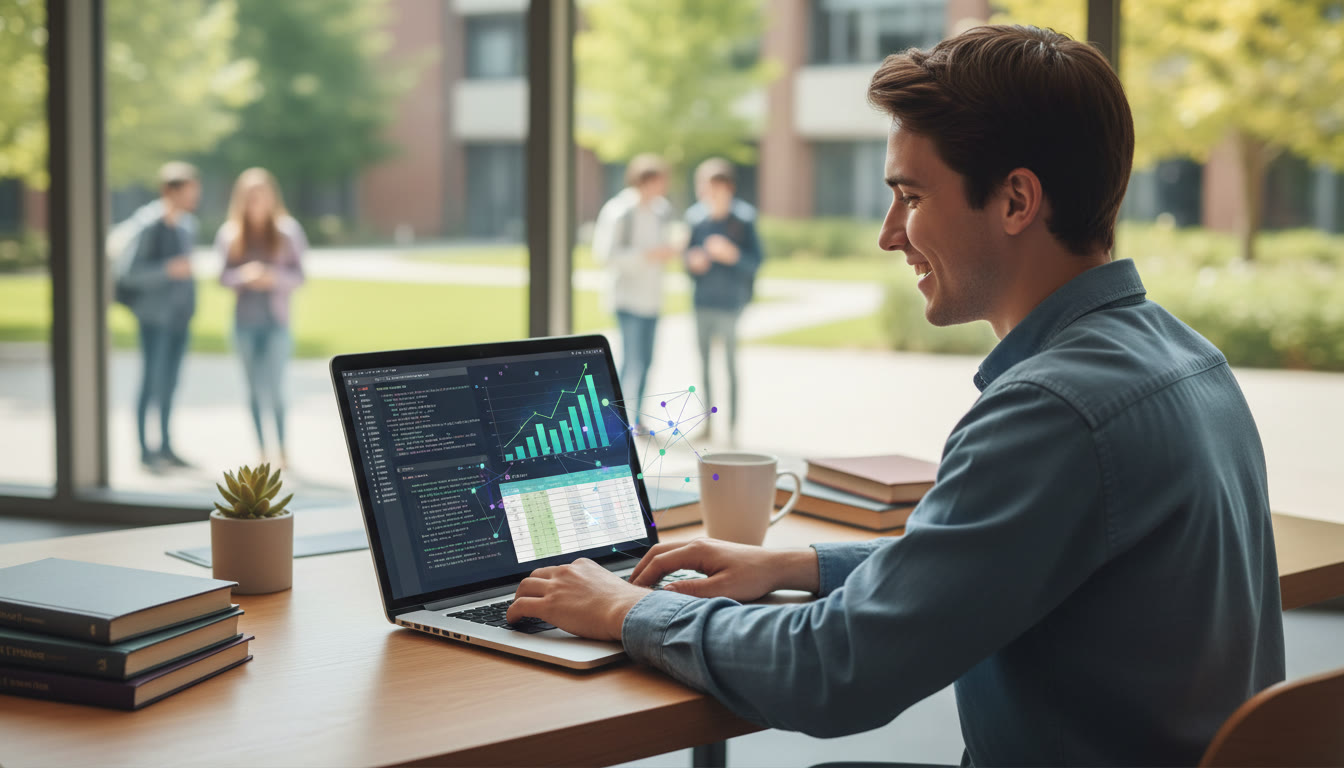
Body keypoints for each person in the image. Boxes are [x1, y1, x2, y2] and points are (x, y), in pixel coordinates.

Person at [506, 25, 1285, 766]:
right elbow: (989, 561)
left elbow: (833, 669)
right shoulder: (1188, 359)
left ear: (1017, 202)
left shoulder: (1052, 410)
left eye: (910, 197)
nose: (888, 233)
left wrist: (628, 608)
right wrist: (796, 565)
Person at [216, 168, 307, 468]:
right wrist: (243, 276)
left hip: (276, 323)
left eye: (261, 195)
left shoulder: (288, 232)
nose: (256, 201)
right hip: (244, 324)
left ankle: (282, 449)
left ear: (272, 197)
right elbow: (222, 277)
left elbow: (300, 275)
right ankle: (262, 451)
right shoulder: (230, 233)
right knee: (253, 390)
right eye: (250, 196)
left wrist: (274, 278)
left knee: (276, 389)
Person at [117, 161, 200, 468]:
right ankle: (145, 450)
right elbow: (129, 274)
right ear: (169, 191)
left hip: (180, 318)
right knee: (151, 382)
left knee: (170, 383)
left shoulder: (187, 226)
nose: (194, 197)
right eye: (188, 191)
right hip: (154, 319)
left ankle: (166, 446)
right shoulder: (147, 225)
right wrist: (168, 270)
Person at [590, 154, 678, 433]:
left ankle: (636, 418)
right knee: (630, 361)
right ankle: (616, 419)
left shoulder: (661, 211)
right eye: (660, 181)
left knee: (647, 362)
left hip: (652, 299)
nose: (664, 187)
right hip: (627, 298)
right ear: (644, 181)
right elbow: (604, 254)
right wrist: (646, 256)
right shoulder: (620, 211)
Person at [684, 158, 762, 444]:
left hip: (731, 304)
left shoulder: (744, 219)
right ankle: (706, 424)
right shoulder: (696, 219)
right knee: (703, 365)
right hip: (702, 301)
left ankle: (731, 428)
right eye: (704, 187)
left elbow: (756, 262)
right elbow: (687, 261)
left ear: (727, 187)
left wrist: (733, 256)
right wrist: (692, 263)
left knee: (729, 365)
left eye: (713, 187)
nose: (708, 193)